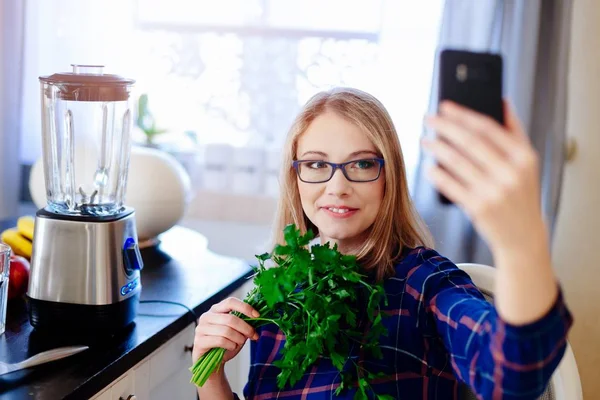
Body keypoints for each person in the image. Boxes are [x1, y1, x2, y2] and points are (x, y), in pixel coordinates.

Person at [192, 87, 573, 399]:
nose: (337, 187)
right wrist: (209, 375)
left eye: (361, 164)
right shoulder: (280, 292)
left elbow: (510, 377)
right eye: (315, 164)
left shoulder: (425, 281)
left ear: (388, 178)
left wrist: (522, 247)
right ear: (295, 178)